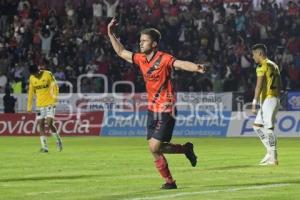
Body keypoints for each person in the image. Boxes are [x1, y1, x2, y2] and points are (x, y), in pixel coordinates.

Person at [107, 17, 206, 189]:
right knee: (156, 149)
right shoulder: (141, 59)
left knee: (154, 147)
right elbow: (121, 52)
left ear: (154, 44)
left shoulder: (164, 59)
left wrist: (195, 67)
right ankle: (184, 152)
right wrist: (110, 33)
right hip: (152, 109)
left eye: (144, 41)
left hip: (166, 107)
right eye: (140, 41)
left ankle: (171, 180)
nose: (141, 43)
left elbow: (180, 63)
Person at [251, 44, 281, 166]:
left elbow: (258, 85)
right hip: (274, 98)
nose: (253, 57)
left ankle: (274, 158)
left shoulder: (261, 66)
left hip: (269, 99)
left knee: (269, 128)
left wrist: (254, 102)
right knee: (257, 126)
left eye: (254, 54)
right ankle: (269, 152)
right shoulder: (274, 65)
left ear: (260, 54)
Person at [27, 64, 63, 153]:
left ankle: (58, 141)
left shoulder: (48, 74)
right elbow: (31, 93)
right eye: (32, 74)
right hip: (39, 105)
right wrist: (29, 107)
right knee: (41, 124)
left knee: (49, 123)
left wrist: (54, 100)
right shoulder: (32, 78)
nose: (34, 75)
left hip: (50, 103)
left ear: (38, 70)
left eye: (35, 73)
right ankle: (45, 147)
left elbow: (55, 87)